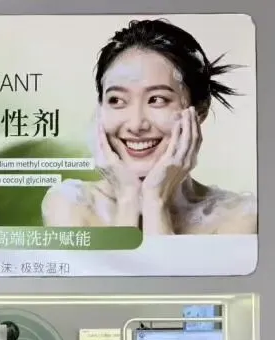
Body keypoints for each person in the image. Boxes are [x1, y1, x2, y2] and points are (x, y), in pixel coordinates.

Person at [42, 19, 256, 237]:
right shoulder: (72, 205)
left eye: (157, 99)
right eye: (116, 100)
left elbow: (157, 262)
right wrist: (128, 199)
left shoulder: (237, 216)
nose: (136, 125)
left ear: (199, 110)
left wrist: (155, 202)